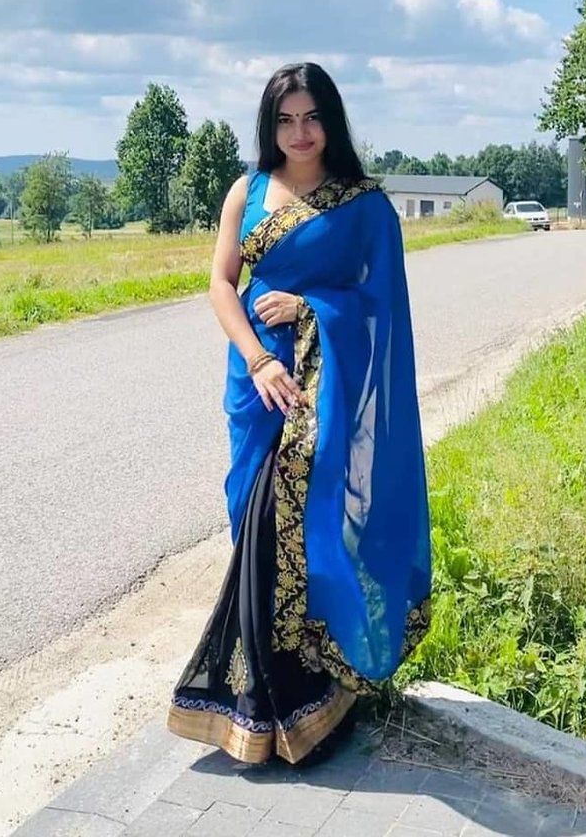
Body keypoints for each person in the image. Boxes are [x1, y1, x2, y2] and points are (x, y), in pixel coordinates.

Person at [166, 61, 432, 765]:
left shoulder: (364, 206)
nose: (300, 132)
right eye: (285, 120)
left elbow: (383, 308)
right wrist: (258, 359)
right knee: (251, 521)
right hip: (259, 383)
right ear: (269, 126)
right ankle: (277, 703)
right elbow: (221, 284)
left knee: (290, 530)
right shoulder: (248, 190)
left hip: (323, 389)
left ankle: (286, 702)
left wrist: (312, 306)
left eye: (312, 117)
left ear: (331, 121)